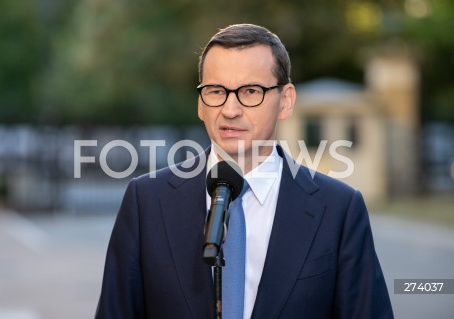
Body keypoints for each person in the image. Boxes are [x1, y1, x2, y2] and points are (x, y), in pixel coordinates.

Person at [95, 23, 393, 319]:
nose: (230, 109)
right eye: (216, 91)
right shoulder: (146, 201)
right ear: (201, 103)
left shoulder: (338, 209)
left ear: (286, 101)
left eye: (251, 91)